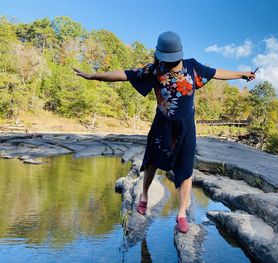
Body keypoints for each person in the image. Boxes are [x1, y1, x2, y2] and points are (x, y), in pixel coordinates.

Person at [74, 31, 255, 234]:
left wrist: (242, 74)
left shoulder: (192, 66)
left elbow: (216, 72)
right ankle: (144, 195)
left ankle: (181, 215)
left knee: (186, 170)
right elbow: (124, 75)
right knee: (152, 162)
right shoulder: (155, 70)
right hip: (162, 126)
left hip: (186, 129)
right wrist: (93, 76)